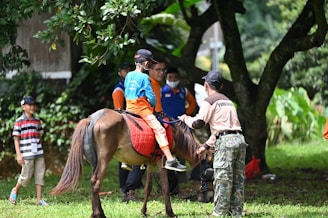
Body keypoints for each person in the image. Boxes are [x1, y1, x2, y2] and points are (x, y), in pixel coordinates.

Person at [178, 70, 247, 217]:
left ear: (206, 85)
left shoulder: (209, 101)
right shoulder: (227, 101)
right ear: (221, 86)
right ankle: (236, 213)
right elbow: (223, 129)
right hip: (239, 140)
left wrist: (185, 119)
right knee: (237, 179)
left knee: (222, 178)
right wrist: (206, 147)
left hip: (226, 142)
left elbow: (198, 123)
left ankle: (219, 213)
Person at [124, 48, 186, 172]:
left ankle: (126, 161)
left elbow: (126, 91)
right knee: (160, 130)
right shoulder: (144, 77)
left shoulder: (129, 75)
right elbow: (152, 98)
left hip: (129, 109)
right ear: (146, 63)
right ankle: (169, 159)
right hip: (142, 110)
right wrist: (151, 104)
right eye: (150, 63)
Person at [112, 61, 146, 202]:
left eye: (129, 70)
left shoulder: (130, 86)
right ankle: (127, 190)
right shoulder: (119, 90)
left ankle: (129, 189)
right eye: (124, 70)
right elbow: (119, 110)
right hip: (127, 124)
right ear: (120, 73)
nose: (127, 72)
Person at [161, 67, 197, 195]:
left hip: (182, 126)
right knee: (169, 152)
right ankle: (169, 184)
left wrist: (185, 114)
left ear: (179, 79)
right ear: (166, 78)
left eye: (175, 78)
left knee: (183, 153)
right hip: (167, 126)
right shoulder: (161, 91)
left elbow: (193, 103)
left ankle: (183, 181)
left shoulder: (183, 91)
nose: (173, 80)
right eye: (170, 78)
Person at [8, 96, 48, 206]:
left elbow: (40, 135)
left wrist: (40, 147)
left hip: (39, 153)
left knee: (40, 175)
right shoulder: (19, 122)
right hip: (26, 154)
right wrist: (19, 155)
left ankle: (39, 199)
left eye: (34, 105)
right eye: (30, 105)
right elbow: (16, 139)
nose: (32, 107)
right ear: (23, 107)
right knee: (26, 176)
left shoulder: (37, 121)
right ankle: (15, 190)